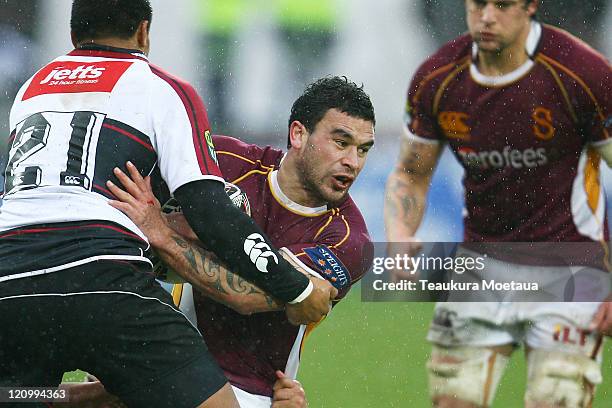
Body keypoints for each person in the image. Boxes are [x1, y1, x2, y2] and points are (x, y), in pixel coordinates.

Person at [0, 1, 336, 407]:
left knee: (24, 396)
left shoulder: (31, 89)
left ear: (74, 35)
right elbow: (209, 210)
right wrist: (297, 289)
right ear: (144, 32)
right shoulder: (161, 88)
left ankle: (62, 397)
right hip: (106, 286)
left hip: (10, 286)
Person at [64, 76, 376, 407]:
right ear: (298, 134)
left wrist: (164, 234)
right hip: (163, 355)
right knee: (78, 395)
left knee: (91, 397)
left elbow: (249, 294)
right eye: (341, 143)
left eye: (363, 149)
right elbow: (129, 210)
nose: (353, 162)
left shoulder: (348, 239)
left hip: (247, 389)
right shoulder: (224, 162)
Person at [385, 1, 611, 407]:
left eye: (502, 4)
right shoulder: (437, 78)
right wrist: (400, 234)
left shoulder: (583, 73)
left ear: (530, 6)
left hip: (571, 267)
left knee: (554, 399)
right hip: (480, 265)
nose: (487, 16)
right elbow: (410, 173)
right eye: (478, 4)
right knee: (452, 401)